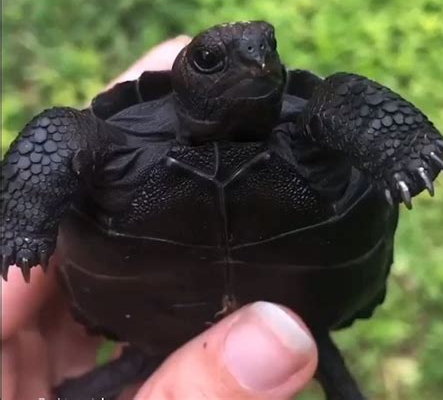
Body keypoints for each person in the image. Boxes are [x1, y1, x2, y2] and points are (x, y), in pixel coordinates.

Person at [1, 37, 318, 400]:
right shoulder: (120, 135)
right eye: (210, 58)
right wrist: (21, 223)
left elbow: (346, 101)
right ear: (183, 75)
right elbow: (58, 133)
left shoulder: (307, 121)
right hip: (150, 310)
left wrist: (391, 145)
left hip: (304, 285)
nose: (254, 60)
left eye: (267, 46)